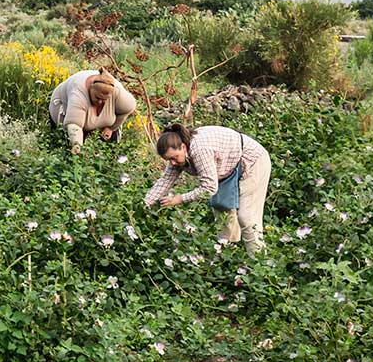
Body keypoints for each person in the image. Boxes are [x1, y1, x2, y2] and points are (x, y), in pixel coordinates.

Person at [143, 123, 271, 255]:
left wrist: (180, 199)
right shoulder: (177, 155)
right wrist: (145, 204)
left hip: (252, 161)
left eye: (174, 158)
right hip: (228, 169)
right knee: (224, 219)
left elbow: (209, 187)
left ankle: (259, 263)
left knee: (247, 218)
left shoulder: (200, 149)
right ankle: (230, 260)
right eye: (168, 160)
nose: (172, 163)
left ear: (183, 147)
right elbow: (165, 181)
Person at [49, 69, 137, 152]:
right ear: (91, 88)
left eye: (104, 100)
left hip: (99, 120)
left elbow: (128, 109)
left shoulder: (118, 93)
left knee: (110, 149)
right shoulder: (78, 93)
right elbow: (74, 125)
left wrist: (111, 128)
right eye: (97, 97)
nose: (99, 102)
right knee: (63, 145)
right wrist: (76, 146)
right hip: (63, 108)